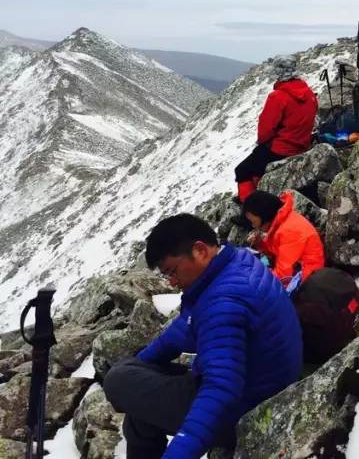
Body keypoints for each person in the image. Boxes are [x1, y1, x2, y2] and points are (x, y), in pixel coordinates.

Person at [103, 214, 302, 459]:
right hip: (263, 381)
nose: (172, 282)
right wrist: (142, 362)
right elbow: (187, 327)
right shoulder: (234, 263)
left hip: (249, 406)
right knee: (138, 408)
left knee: (117, 380)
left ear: (199, 250)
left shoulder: (222, 302)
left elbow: (221, 390)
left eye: (172, 271)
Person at [234, 55, 317, 202]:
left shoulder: (278, 97)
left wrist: (261, 143)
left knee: (242, 171)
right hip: (302, 147)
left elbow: (265, 130)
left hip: (280, 150)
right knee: (256, 166)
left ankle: (249, 210)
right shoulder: (309, 93)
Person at [243, 190, 325, 284]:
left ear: (264, 215)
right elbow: (278, 250)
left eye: (254, 221)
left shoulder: (289, 230)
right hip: (301, 272)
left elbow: (284, 276)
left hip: (309, 280)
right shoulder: (282, 222)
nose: (253, 226)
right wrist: (260, 244)